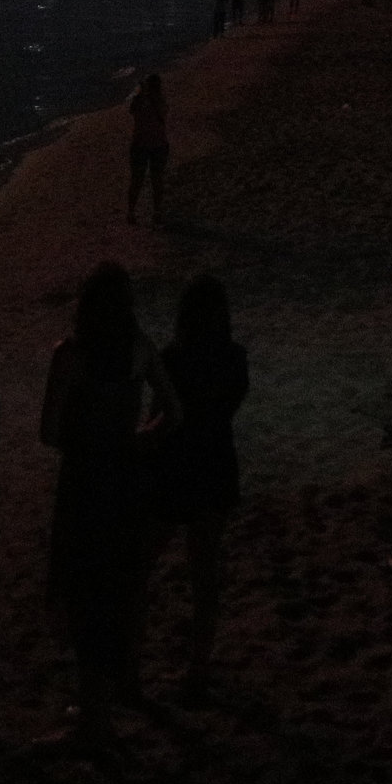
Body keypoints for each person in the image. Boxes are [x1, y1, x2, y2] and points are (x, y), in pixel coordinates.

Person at [39, 261, 182, 747]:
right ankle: (126, 684)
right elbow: (172, 409)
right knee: (123, 585)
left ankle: (92, 715)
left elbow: (50, 431)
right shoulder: (138, 346)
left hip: (84, 481)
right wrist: (139, 439)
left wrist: (89, 436)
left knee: (83, 590)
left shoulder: (72, 354)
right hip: (125, 478)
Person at [152, 275, 250, 684]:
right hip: (217, 462)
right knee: (205, 569)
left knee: (145, 559)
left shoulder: (172, 359)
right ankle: (199, 664)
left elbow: (161, 415)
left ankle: (131, 665)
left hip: (179, 463)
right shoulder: (234, 357)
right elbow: (232, 404)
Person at [126, 73, 170, 224]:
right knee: (154, 180)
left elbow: (133, 110)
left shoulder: (148, 101)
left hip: (143, 145)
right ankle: (154, 212)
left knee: (141, 180)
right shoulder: (157, 101)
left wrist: (141, 94)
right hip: (156, 145)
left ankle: (134, 212)